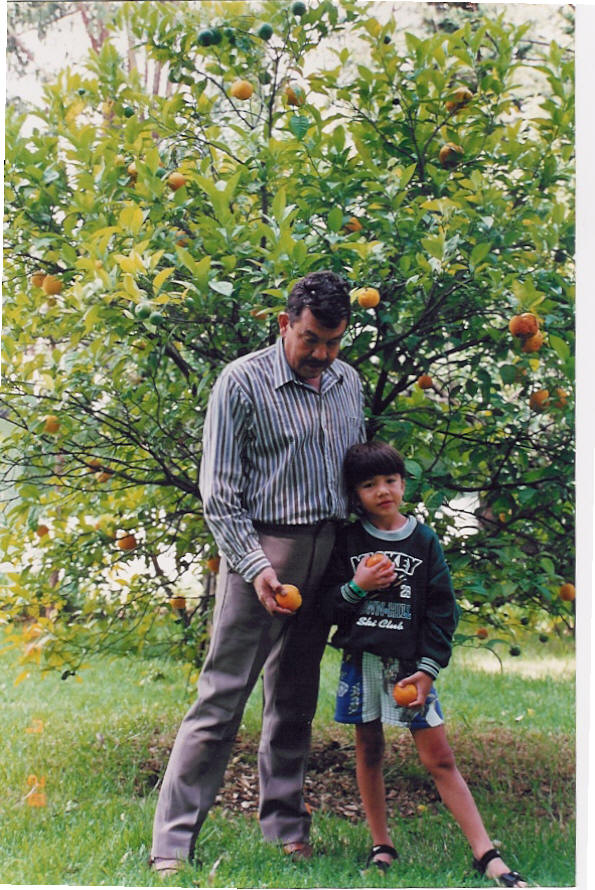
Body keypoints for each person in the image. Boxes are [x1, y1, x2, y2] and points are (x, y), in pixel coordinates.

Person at [150, 270, 366, 875]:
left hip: (328, 551)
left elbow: (352, 471)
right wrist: (253, 566)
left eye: (332, 342)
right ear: (284, 324)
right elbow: (218, 491)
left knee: (295, 697)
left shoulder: (347, 382)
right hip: (265, 553)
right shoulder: (241, 382)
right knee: (222, 698)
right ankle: (172, 843)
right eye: (310, 340)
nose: (321, 355)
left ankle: (285, 827)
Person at [321, 440, 528, 887]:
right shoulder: (348, 540)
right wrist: (357, 586)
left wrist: (430, 668)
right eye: (369, 484)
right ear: (354, 492)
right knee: (369, 751)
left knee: (440, 758)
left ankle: (485, 853)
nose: (382, 491)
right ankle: (382, 845)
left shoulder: (422, 538)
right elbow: (326, 607)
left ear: (404, 482)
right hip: (363, 661)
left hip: (411, 667)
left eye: (390, 480)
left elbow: (442, 610)